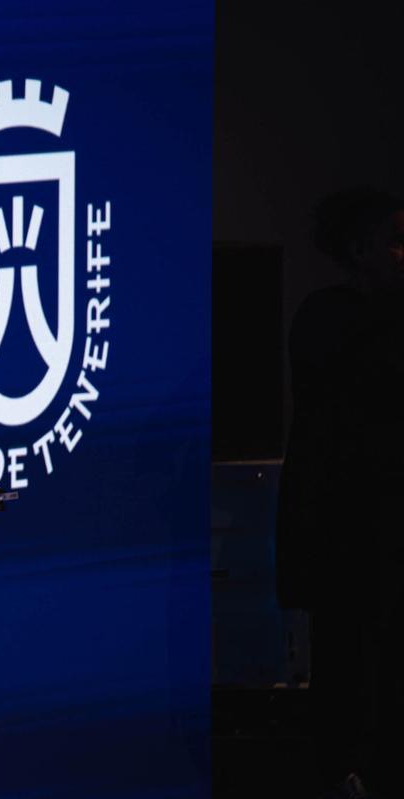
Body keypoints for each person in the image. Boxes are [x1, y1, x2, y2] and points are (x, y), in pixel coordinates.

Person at [277, 188, 404, 799]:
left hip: (378, 537)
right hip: (350, 540)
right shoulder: (330, 317)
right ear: (360, 250)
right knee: (351, 671)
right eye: (397, 242)